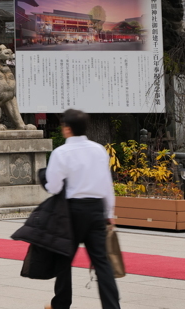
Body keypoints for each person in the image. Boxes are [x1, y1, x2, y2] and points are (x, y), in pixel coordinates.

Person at [42, 109, 120, 309]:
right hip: (96, 210)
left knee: (63, 259)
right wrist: (109, 214)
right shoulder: (98, 150)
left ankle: (61, 304)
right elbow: (106, 185)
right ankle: (112, 307)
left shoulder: (61, 152)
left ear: (67, 129)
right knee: (102, 263)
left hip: (71, 211)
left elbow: (54, 186)